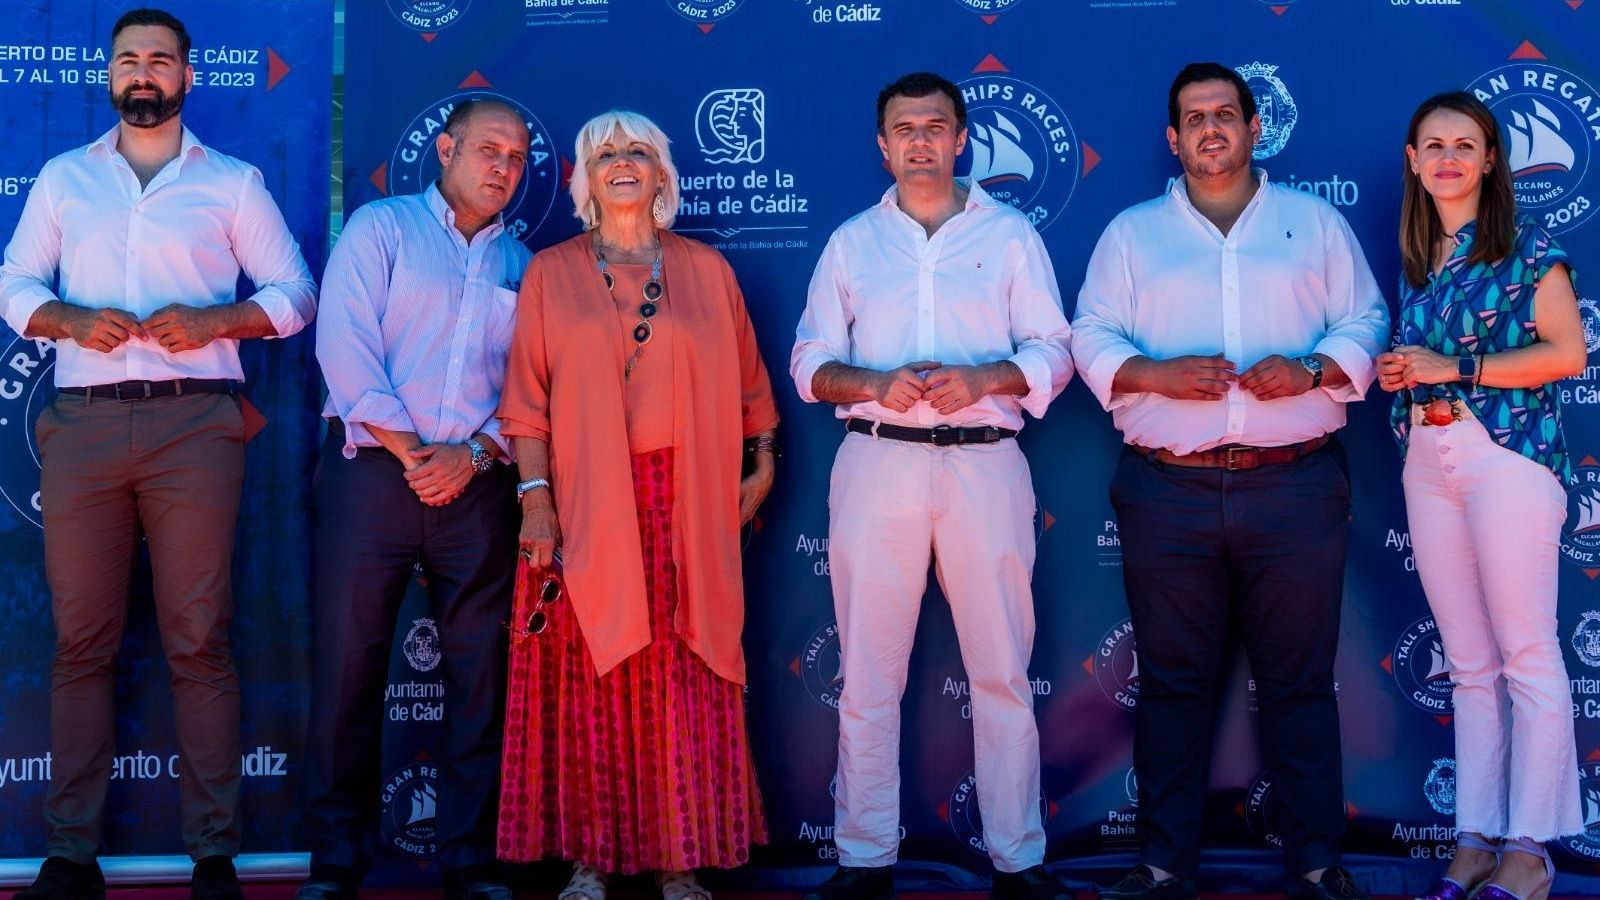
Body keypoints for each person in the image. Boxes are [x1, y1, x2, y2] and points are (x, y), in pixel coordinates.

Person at [0, 8, 316, 899]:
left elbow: (296, 292)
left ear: (187, 76)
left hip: (195, 427)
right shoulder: (65, 178)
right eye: (129, 60)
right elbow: (12, 282)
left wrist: (221, 320)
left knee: (199, 639)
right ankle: (70, 857)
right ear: (110, 75)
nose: (143, 73)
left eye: (160, 61)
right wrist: (65, 318)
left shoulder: (234, 183)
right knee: (81, 644)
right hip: (84, 425)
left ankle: (214, 855)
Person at [1071, 62, 1389, 900]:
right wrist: (1155, 375)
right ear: (1173, 139)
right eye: (1193, 118)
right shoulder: (1133, 235)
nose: (1210, 129)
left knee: (1299, 683)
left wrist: (1314, 367)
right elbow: (1090, 334)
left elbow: (1367, 320)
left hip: (1296, 486)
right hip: (1167, 490)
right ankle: (1163, 866)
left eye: (1224, 114)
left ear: (1253, 128)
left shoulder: (1313, 224)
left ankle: (1315, 863)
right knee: (1173, 684)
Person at [791, 72, 1075, 900]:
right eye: (905, 128)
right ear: (883, 145)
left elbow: (1055, 351)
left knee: (1002, 672)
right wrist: (872, 383)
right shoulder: (852, 243)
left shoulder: (1011, 234)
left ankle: (1018, 862)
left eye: (935, 126)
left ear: (961, 139)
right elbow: (810, 363)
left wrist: (986, 376)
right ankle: (864, 859)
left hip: (986, 460)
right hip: (878, 460)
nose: (920, 140)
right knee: (868, 674)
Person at [495, 109, 779, 900]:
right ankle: (589, 860)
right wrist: (536, 501)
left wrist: (763, 460)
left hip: (687, 503)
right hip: (587, 505)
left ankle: (679, 860)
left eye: (639, 151)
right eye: (605, 153)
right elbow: (526, 404)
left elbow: (753, 383)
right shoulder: (550, 273)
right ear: (585, 179)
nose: (622, 162)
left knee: (683, 679)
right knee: (594, 678)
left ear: (661, 175)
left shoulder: (706, 270)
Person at [295, 98, 531, 900]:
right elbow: (344, 345)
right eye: (489, 149)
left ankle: (469, 861)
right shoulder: (381, 228)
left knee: (480, 676)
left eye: (516, 157)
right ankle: (336, 860)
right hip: (371, 475)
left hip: (477, 486)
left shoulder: (522, 265)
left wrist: (474, 453)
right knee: (348, 668)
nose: (503, 167)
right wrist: (412, 451)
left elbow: (530, 386)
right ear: (445, 149)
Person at [1377, 91, 1586, 900]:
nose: (1448, 158)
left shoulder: (1529, 246)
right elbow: (1427, 362)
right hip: (1430, 461)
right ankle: (1474, 842)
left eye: (1465, 145)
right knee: (1468, 664)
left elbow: (1566, 354)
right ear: (1413, 160)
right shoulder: (1419, 258)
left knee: (1527, 654)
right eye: (1433, 145)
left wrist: (1454, 367)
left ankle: (1529, 853)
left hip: (1510, 457)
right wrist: (1405, 372)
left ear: (1492, 158)